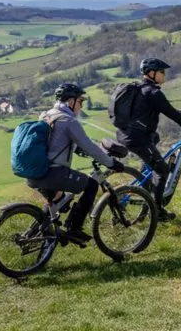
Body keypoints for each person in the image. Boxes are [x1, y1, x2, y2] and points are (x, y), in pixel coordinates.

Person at [26, 83, 124, 244]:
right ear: (71, 102)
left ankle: (38, 234)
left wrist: (76, 148)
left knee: (58, 200)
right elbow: (89, 146)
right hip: (53, 173)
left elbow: (55, 141)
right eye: (80, 101)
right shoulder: (68, 120)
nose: (81, 106)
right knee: (91, 185)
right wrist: (111, 163)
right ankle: (73, 228)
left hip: (34, 171)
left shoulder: (47, 115)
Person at [116, 58, 181, 222]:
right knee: (162, 170)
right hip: (137, 138)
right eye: (161, 72)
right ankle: (157, 212)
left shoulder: (141, 89)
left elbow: (167, 110)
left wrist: (180, 117)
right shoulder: (153, 93)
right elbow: (171, 113)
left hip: (126, 134)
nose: (164, 74)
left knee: (153, 155)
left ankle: (148, 194)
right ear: (151, 73)